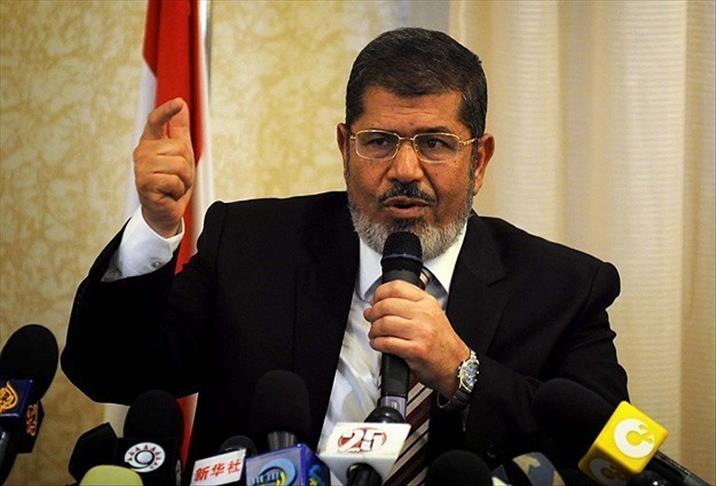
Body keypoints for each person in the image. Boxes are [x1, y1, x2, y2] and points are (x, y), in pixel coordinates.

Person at [62, 27, 628, 481]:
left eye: (434, 144)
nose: (404, 171)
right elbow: (110, 373)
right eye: (379, 142)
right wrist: (157, 227)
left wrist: (463, 373)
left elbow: (608, 457)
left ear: (478, 161)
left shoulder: (563, 288)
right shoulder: (251, 244)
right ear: (345, 147)